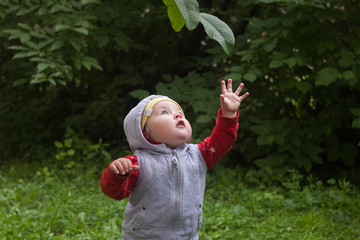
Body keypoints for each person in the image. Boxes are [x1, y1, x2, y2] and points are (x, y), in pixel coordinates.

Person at [100, 79, 249, 240]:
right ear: (145, 131)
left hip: (187, 236)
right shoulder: (137, 163)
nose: (178, 114)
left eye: (180, 113)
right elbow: (114, 192)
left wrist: (228, 114)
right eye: (165, 112)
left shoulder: (200, 155)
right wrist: (117, 173)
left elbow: (223, 139)